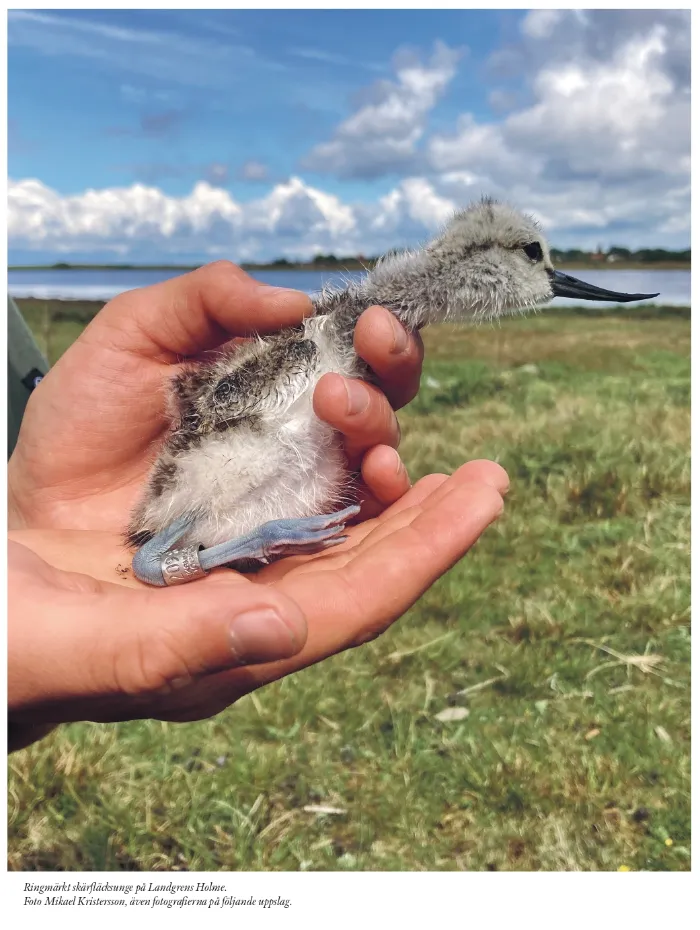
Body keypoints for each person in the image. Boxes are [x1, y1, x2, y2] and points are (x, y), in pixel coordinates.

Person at [8, 261, 508, 751]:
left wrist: (20, 512)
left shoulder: (334, 344)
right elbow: (207, 422)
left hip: (233, 488)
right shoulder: (307, 349)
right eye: (532, 258)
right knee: (175, 537)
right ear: (479, 259)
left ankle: (226, 544)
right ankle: (222, 546)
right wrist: (254, 541)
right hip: (197, 497)